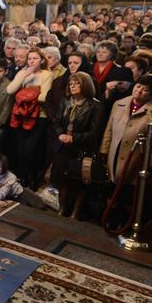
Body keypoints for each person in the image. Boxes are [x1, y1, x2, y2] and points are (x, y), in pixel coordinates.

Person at [100, 74, 152, 228]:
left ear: (151, 94)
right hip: (116, 152)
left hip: (135, 156)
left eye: (145, 90)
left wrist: (149, 162)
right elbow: (109, 129)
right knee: (112, 187)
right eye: (138, 86)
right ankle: (111, 217)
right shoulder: (120, 103)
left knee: (128, 191)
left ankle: (124, 221)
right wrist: (104, 149)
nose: (139, 91)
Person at [48, 72, 105, 219]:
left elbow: (94, 133)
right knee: (62, 178)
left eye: (77, 83)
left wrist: (74, 138)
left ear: (85, 85)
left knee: (79, 182)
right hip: (63, 145)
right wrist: (61, 134)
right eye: (71, 84)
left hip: (82, 148)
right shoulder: (65, 101)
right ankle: (62, 208)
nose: (72, 86)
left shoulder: (96, 106)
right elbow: (57, 121)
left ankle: (76, 212)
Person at [6, 48, 53, 188]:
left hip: (39, 116)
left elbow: (44, 96)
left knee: (30, 149)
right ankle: (22, 178)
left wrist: (24, 95)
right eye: (30, 58)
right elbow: (10, 90)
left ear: (42, 60)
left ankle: (32, 178)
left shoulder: (47, 74)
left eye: (35, 58)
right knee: (21, 149)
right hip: (21, 115)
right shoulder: (22, 72)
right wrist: (25, 75)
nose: (31, 61)